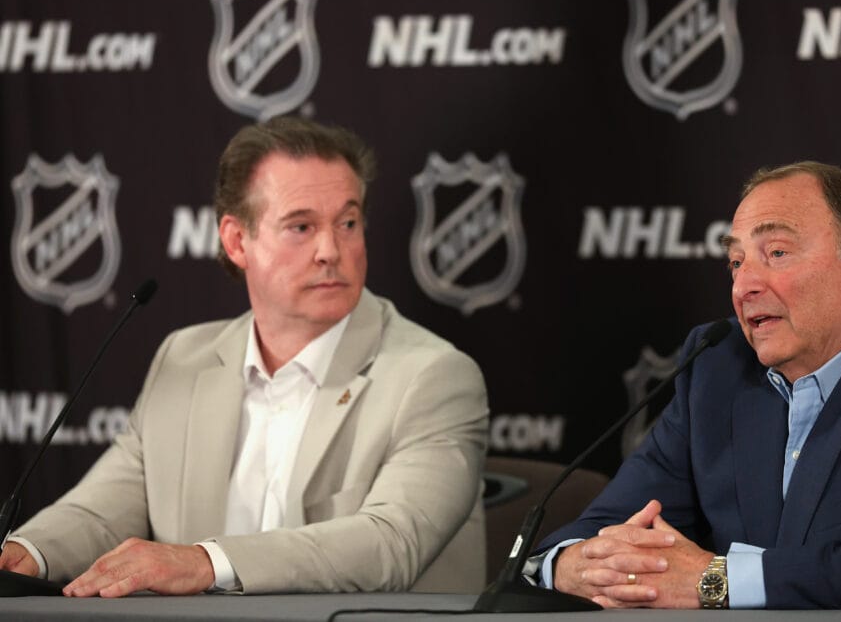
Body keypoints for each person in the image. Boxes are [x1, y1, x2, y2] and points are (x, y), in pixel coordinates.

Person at [0, 117, 489, 597]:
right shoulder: (184, 359)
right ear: (237, 240)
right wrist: (25, 552)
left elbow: (390, 541)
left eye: (348, 222)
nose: (330, 250)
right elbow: (103, 509)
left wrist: (205, 562)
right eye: (301, 226)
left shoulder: (433, 376)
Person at [533, 162, 841, 608]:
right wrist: (574, 563)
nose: (744, 285)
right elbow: (611, 526)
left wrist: (715, 580)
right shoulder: (717, 365)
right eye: (737, 262)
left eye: (777, 252)